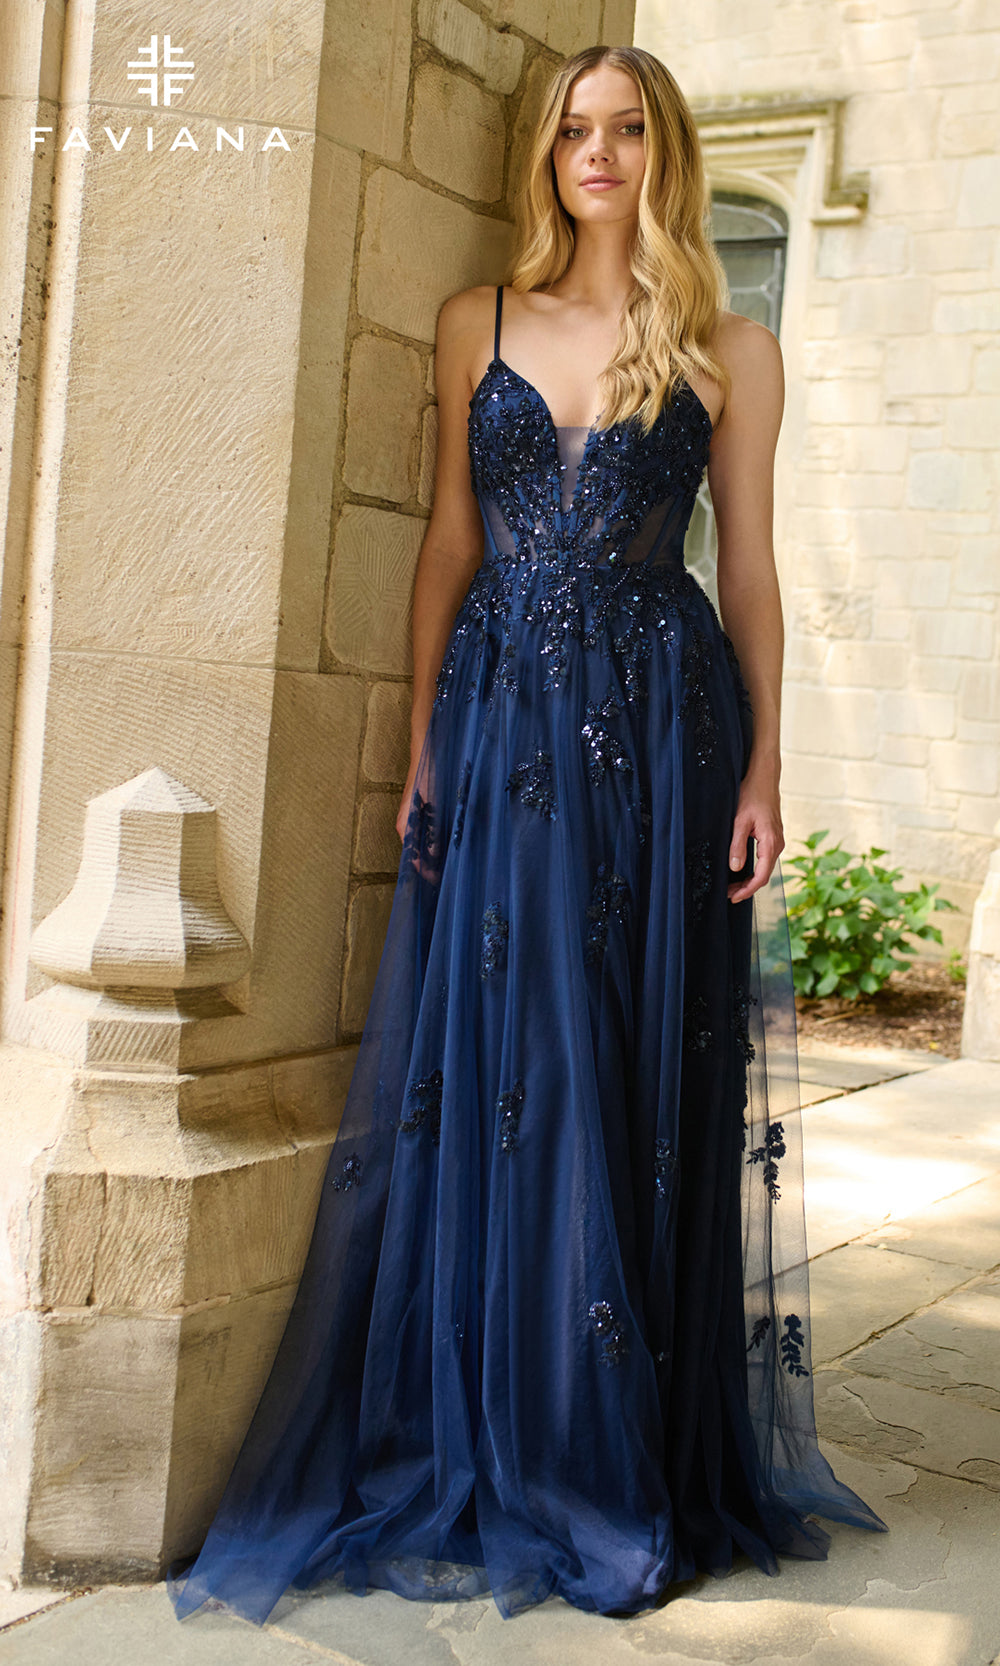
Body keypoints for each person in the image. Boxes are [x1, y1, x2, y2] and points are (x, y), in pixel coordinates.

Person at [170, 43, 886, 1627]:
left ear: (666, 150)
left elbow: (748, 572)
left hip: (657, 730)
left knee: (623, 1065)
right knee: (512, 1063)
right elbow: (447, 541)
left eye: (629, 129)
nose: (601, 153)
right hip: (500, 731)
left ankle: (604, 1454)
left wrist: (768, 763)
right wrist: (425, 732)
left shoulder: (726, 346)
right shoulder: (473, 325)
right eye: (576, 129)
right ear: (545, 153)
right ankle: (500, 1430)